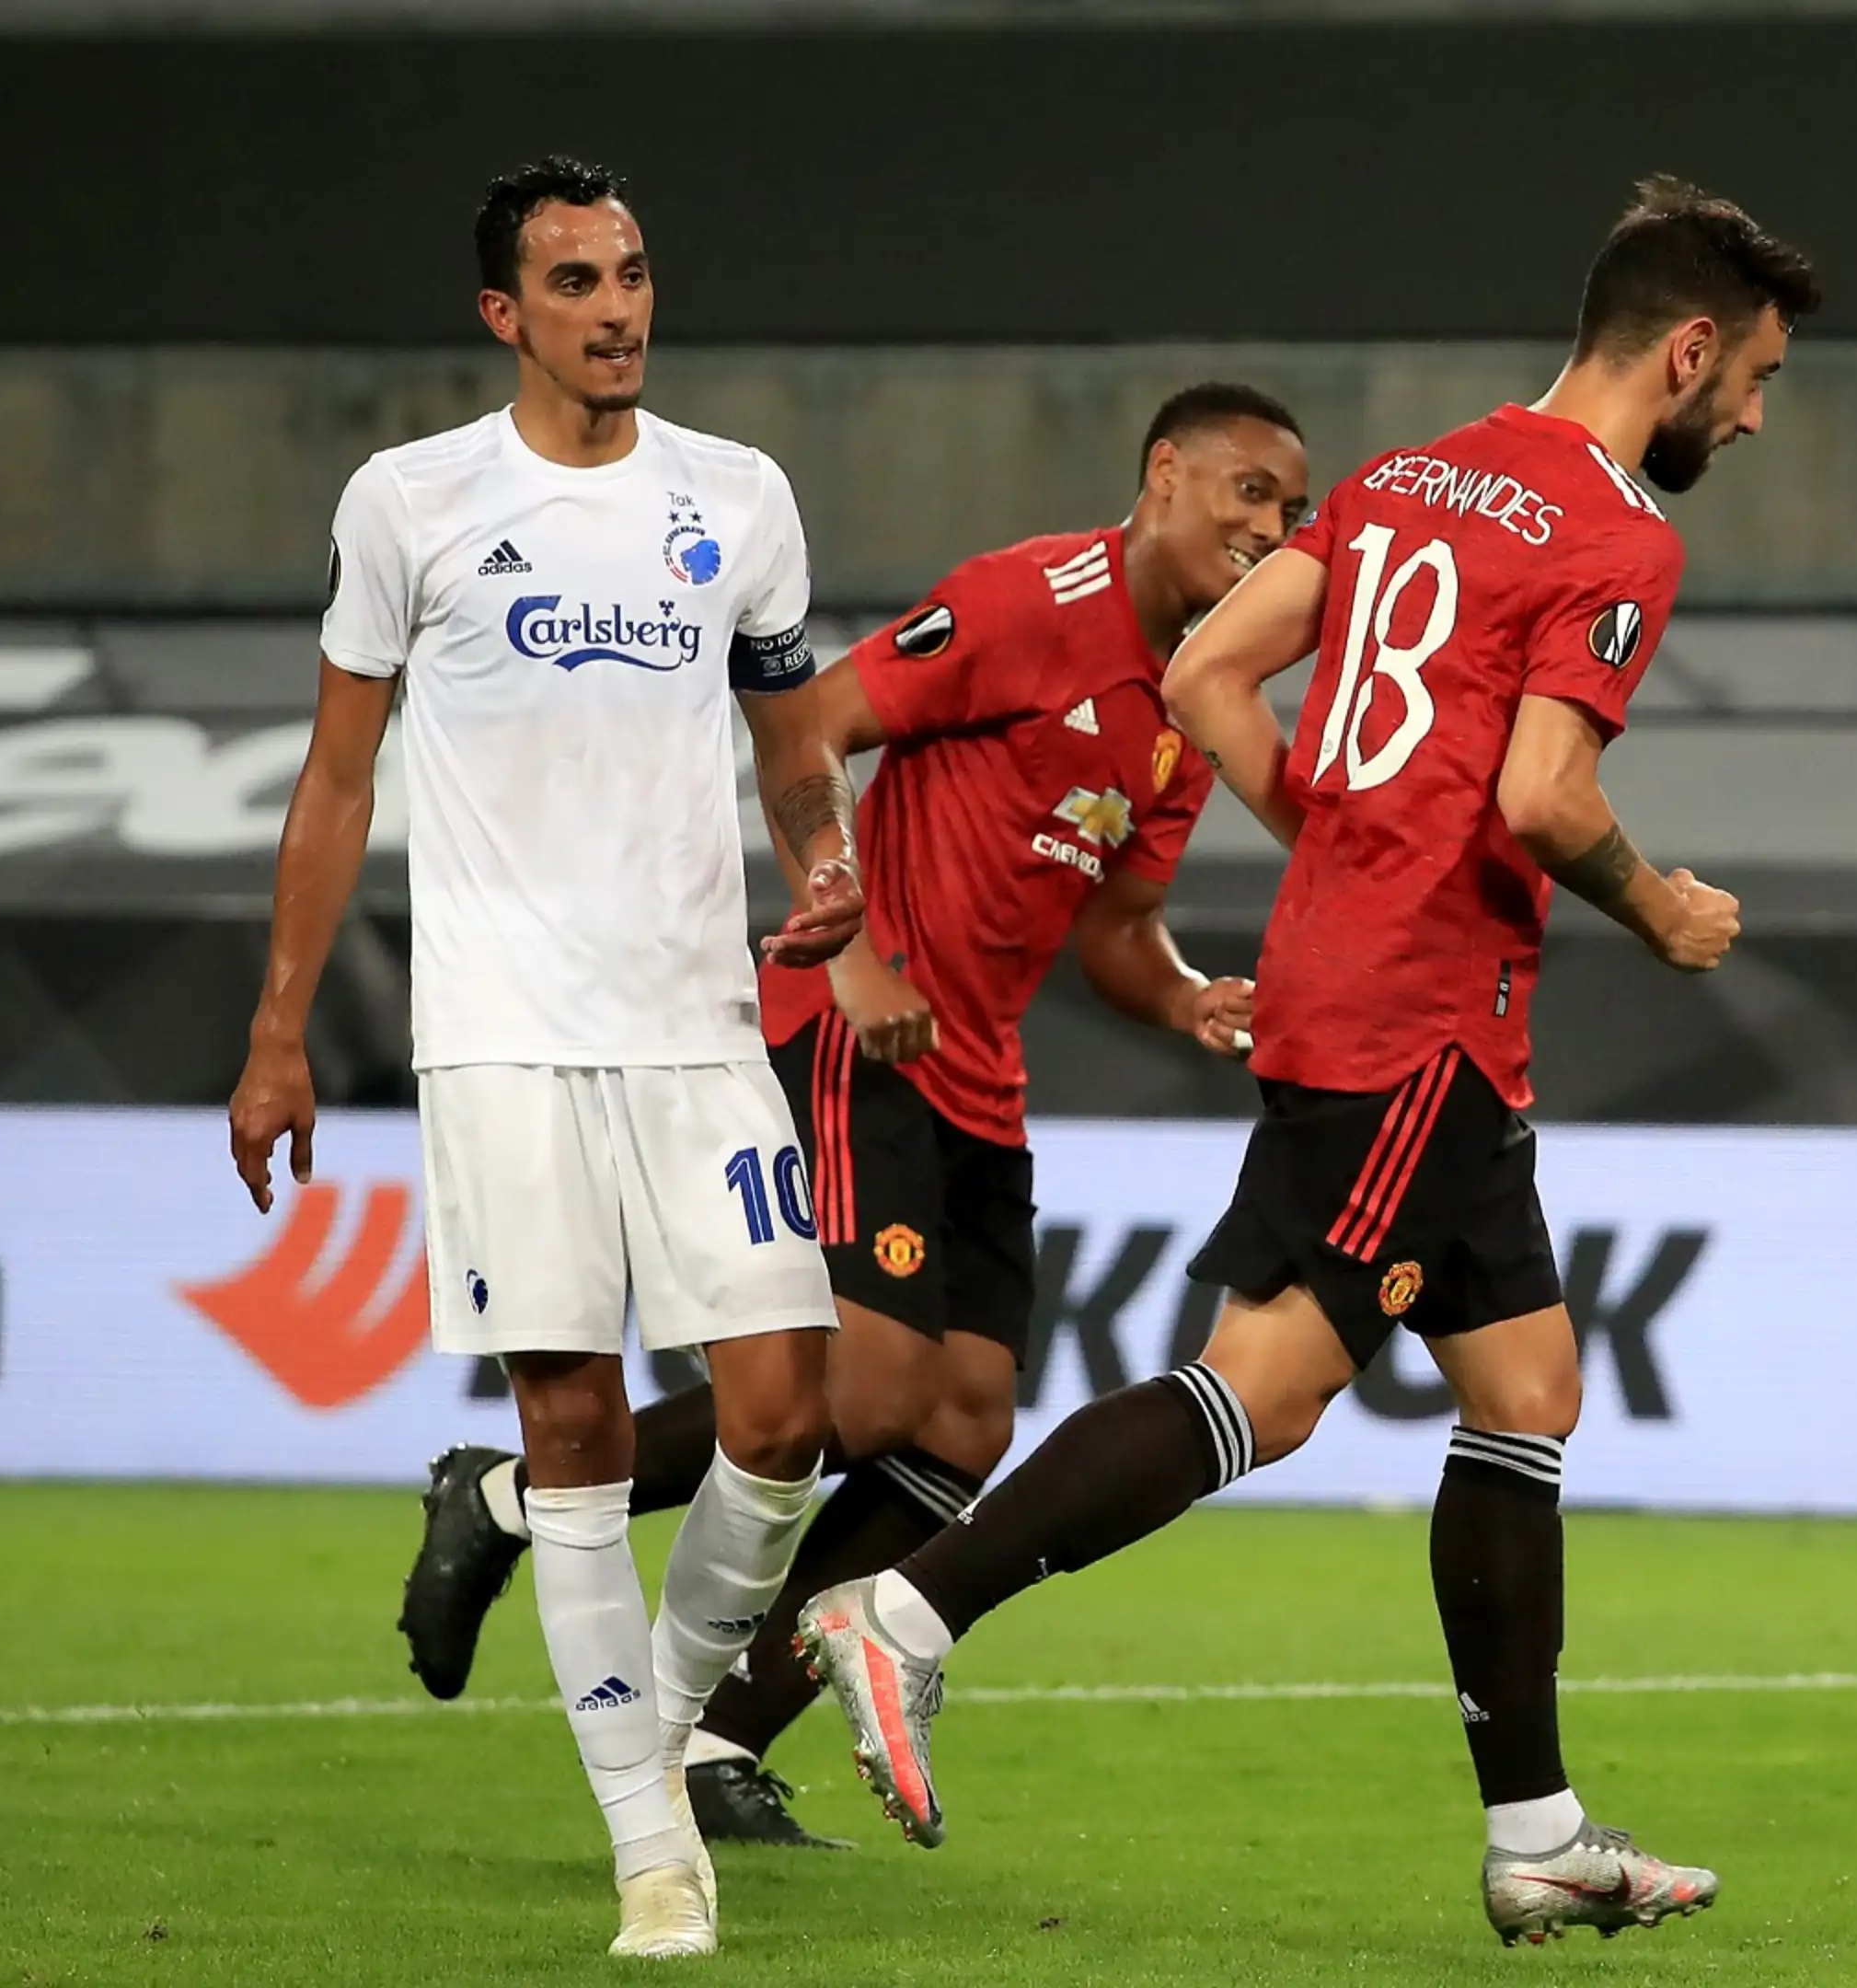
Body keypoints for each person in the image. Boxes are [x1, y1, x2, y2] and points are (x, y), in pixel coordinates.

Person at [788, 176, 1817, 1944]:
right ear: (1694, 347)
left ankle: (1541, 1837)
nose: (1753, 413)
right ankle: (906, 1614)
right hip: (1420, 1017)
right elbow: (1545, 798)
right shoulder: (1619, 534)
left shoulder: (1416, 474)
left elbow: (1201, 676)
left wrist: (1332, 837)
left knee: (1526, 1389)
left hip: (1379, 1000)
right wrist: (1663, 912)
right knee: (1262, 1390)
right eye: (1760, 379)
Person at [394, 387, 1310, 1849]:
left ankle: (713, 1744)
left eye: (1291, 515)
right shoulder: (1024, 602)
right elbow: (809, 722)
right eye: (1249, 493)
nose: (1269, 530)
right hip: (851, 1031)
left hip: (977, 1080)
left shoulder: (1195, 708)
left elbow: (1121, 931)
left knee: (963, 1421)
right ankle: (505, 1495)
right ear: (1164, 475)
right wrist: (862, 945)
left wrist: (1192, 996)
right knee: (868, 1387)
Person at [226, 156, 865, 1959]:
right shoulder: (411, 504)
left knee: (784, 1410)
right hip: (501, 1037)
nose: (619, 310)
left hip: (695, 1024)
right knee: (573, 1424)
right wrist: (279, 1036)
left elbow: (791, 745)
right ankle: (648, 1846)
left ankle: (653, 1738)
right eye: (576, 283)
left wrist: (825, 864)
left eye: (636, 274)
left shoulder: (736, 500)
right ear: (505, 314)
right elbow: (339, 777)